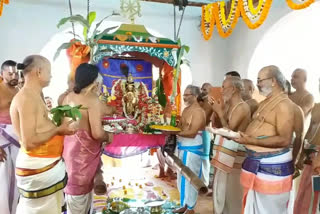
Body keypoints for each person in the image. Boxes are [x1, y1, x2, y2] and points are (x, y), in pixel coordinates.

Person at [10, 55, 77, 214]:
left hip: (44, 163)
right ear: (38, 72)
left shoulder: (33, 95)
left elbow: (38, 128)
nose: (51, 75)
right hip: (37, 164)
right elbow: (29, 141)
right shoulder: (26, 97)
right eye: (49, 71)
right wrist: (58, 130)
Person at [235, 65, 295, 214]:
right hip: (255, 164)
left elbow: (285, 140)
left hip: (272, 167)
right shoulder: (264, 102)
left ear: (273, 81)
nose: (258, 84)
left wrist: (251, 141)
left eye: (260, 80)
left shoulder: (284, 105)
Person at [62, 63, 114, 214]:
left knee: (74, 199)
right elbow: (97, 134)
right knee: (80, 202)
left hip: (69, 153)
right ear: (94, 82)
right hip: (83, 158)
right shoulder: (92, 100)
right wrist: (109, 136)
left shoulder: (68, 97)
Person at [208, 76, 251, 214]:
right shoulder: (229, 106)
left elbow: (229, 133)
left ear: (233, 89)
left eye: (224, 87)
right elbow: (219, 127)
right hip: (223, 158)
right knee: (220, 193)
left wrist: (220, 112)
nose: (221, 90)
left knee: (231, 196)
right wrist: (217, 111)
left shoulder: (242, 107)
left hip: (234, 160)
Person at [173, 85, 206, 214]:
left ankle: (191, 208)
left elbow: (192, 133)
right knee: (181, 178)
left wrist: (174, 132)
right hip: (182, 146)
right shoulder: (186, 110)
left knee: (191, 179)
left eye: (187, 95)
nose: (184, 97)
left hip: (192, 150)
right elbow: (181, 127)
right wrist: (174, 127)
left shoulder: (199, 112)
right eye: (184, 95)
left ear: (195, 96)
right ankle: (184, 205)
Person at [294, 79, 320, 214]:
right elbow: (309, 130)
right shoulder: (316, 107)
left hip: (318, 160)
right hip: (310, 157)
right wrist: (301, 155)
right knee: (304, 196)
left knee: (316, 200)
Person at [0, 60, 20, 214]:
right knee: (3, 181)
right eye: (10, 73)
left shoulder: (20, 89)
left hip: (18, 138)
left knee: (17, 179)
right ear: (2, 74)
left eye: (16, 73)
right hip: (3, 140)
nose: (14, 76)